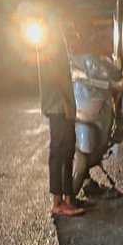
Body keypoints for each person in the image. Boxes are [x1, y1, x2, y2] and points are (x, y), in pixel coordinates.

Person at [39, 14, 83, 218]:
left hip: (59, 104)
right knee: (60, 151)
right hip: (58, 105)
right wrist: (67, 102)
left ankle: (67, 197)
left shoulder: (52, 33)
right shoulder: (51, 36)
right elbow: (55, 74)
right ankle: (59, 201)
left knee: (65, 149)